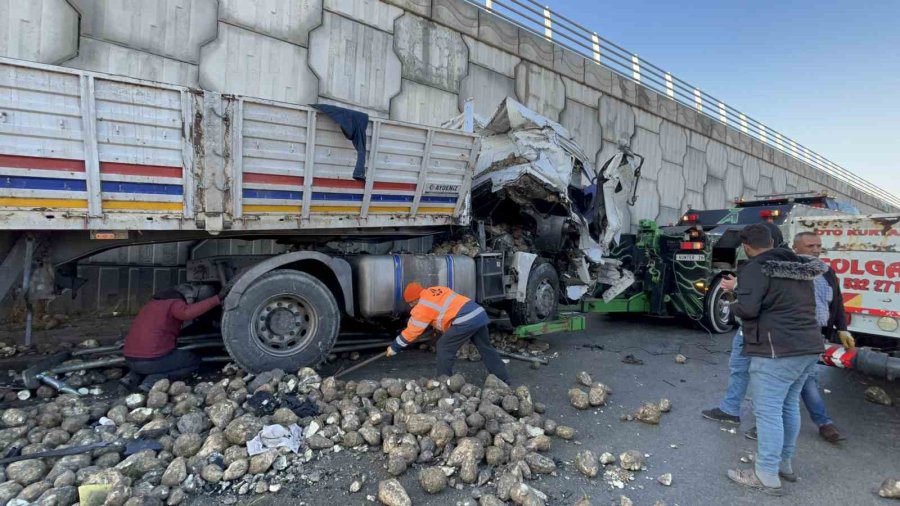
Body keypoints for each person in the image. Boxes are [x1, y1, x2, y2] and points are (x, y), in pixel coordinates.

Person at [702, 231, 854, 443]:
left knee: (787, 390)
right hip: (764, 333)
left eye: (818, 245)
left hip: (787, 337)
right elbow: (768, 296)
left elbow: (835, 300)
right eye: (810, 246)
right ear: (795, 247)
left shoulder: (819, 272)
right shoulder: (786, 268)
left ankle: (818, 424)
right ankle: (732, 411)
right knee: (743, 371)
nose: (816, 250)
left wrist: (842, 327)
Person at [724, 224, 826, 495]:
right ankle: (784, 464)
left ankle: (766, 474)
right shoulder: (797, 266)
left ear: (746, 246)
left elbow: (748, 309)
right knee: (788, 405)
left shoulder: (755, 268)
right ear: (772, 241)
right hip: (808, 346)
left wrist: (730, 301)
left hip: (776, 350)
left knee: (768, 410)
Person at [386, 282, 509, 383]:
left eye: (411, 303)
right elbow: (446, 310)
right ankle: (503, 379)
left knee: (444, 346)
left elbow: (411, 331)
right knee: (485, 347)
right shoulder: (436, 289)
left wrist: (394, 347)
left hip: (465, 320)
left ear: (414, 300)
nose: (412, 306)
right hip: (478, 313)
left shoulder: (422, 306)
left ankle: (444, 382)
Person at [123, 286, 221, 391]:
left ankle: (131, 378)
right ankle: (150, 382)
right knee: (193, 361)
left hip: (129, 359)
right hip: (152, 360)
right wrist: (217, 299)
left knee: (147, 360)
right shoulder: (173, 303)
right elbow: (187, 312)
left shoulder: (150, 305)